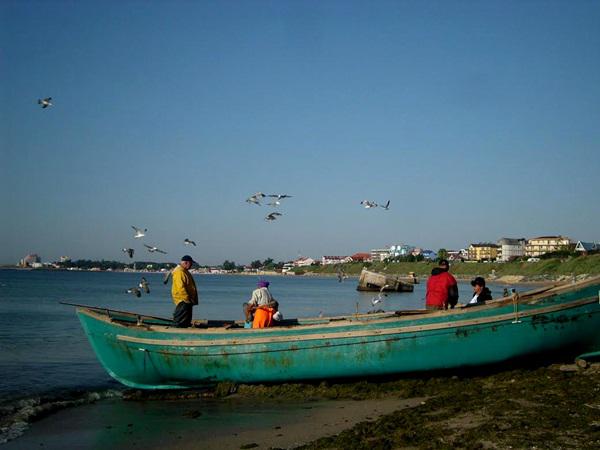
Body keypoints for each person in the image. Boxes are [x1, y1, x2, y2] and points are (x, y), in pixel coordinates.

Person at [171, 255, 198, 328]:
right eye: (191, 263)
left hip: (187, 299)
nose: (192, 265)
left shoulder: (184, 271)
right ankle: (176, 330)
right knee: (180, 317)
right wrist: (186, 298)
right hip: (182, 299)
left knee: (186, 318)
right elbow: (180, 287)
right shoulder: (179, 272)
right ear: (186, 263)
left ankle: (185, 327)